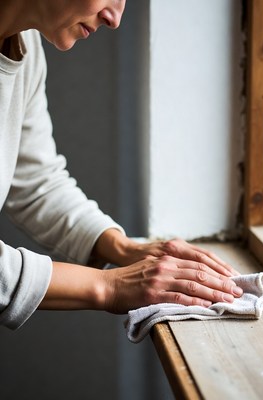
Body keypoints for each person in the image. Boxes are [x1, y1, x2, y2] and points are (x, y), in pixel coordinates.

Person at [0, 0, 242, 330]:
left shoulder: (25, 47)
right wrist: (111, 286)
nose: (115, 18)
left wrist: (123, 248)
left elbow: (36, 184)